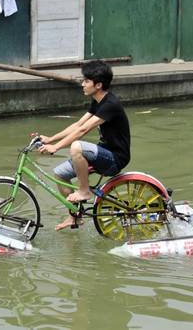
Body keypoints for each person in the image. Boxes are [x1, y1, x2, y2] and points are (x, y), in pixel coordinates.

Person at [37, 60, 130, 231]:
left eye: (86, 81)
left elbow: (84, 131)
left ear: (98, 85)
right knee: (59, 174)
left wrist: (56, 148)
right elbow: (78, 125)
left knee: (77, 146)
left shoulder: (111, 104)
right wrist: (50, 139)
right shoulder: (97, 101)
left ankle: (84, 191)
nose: (82, 84)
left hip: (115, 158)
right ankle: (75, 217)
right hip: (103, 152)